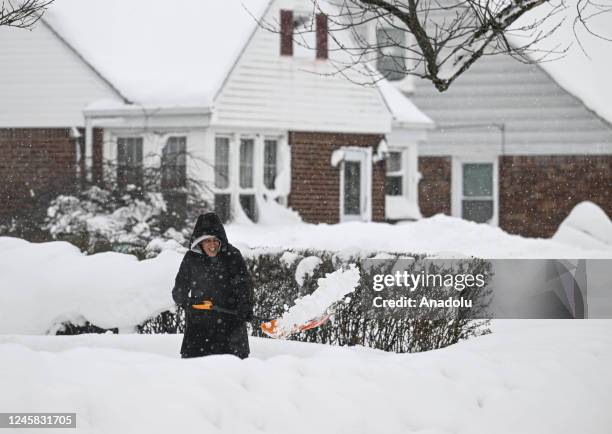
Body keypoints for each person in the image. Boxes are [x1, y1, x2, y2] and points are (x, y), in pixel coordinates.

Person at [172, 212, 254, 359]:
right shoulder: (191, 258)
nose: (212, 245)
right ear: (199, 242)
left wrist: (245, 306)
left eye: (215, 240)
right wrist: (187, 301)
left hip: (230, 328)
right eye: (207, 241)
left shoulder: (232, 256)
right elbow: (179, 290)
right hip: (199, 330)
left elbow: (244, 285)